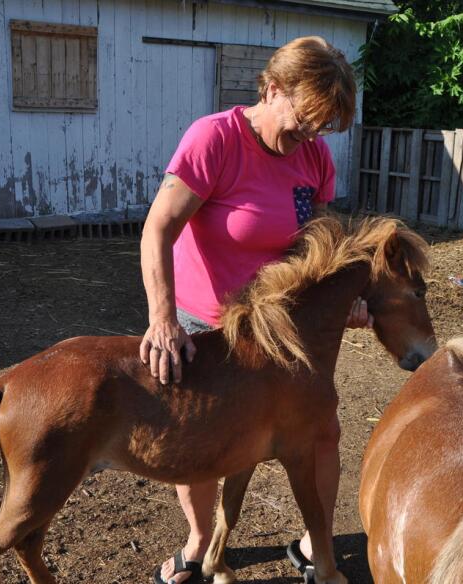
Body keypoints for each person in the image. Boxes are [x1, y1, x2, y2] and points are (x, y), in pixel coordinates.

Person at [139, 36, 368, 584]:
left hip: (280, 325)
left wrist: (345, 297)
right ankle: (198, 543)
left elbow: (316, 242)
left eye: (324, 127)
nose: (311, 137)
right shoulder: (213, 139)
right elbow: (158, 229)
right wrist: (163, 317)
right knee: (200, 444)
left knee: (322, 430)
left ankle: (317, 539)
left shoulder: (312, 155)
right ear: (272, 89)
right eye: (306, 120)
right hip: (208, 324)